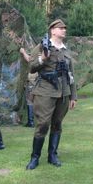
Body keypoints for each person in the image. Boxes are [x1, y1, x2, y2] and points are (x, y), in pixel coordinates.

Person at [25, 19, 77, 170]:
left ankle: (52, 155)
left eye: (65, 28)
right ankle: (35, 158)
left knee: (57, 124)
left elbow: (71, 75)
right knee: (42, 124)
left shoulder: (66, 51)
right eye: (61, 28)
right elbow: (31, 67)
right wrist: (43, 58)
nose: (64, 30)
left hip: (63, 93)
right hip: (45, 92)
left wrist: (73, 96)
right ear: (52, 31)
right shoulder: (42, 47)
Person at [19, 47, 37, 127]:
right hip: (35, 83)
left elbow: (29, 60)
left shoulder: (35, 58)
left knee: (30, 101)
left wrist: (23, 52)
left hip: (32, 83)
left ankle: (31, 122)